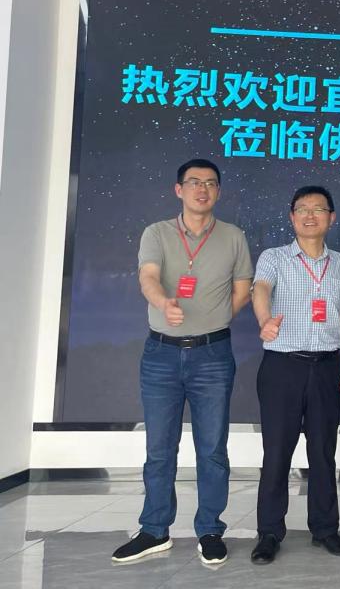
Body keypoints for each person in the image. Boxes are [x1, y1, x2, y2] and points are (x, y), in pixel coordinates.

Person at [112, 159, 253, 566]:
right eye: (194, 182)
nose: (202, 189)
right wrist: (164, 303)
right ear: (179, 190)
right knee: (159, 448)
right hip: (162, 354)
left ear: (218, 191)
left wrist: (215, 318)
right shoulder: (156, 233)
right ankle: (154, 530)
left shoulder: (233, 236)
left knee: (212, 449)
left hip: (213, 354)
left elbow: (242, 288)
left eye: (210, 183)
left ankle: (210, 530)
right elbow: (148, 277)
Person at [248, 185, 340, 565]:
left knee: (323, 452)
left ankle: (326, 529)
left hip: (328, 366)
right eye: (302, 209)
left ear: (331, 217)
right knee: (277, 452)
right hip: (283, 366)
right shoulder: (274, 257)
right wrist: (265, 320)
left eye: (318, 209)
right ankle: (269, 532)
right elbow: (260, 289)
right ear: (291, 217)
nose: (310, 215)